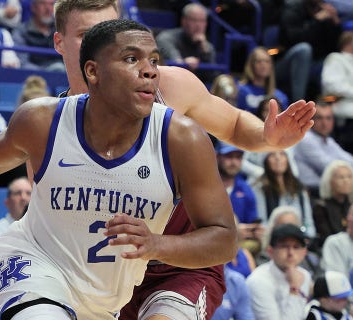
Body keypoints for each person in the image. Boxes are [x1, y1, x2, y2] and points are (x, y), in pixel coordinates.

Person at [0, 18, 237, 319]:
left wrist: (157, 244)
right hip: (34, 263)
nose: (149, 70)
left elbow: (224, 239)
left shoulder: (182, 139)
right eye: (131, 59)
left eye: (153, 60)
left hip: (108, 296)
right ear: (92, 72)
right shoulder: (43, 120)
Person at [51, 1, 315, 319]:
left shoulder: (169, 87)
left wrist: (268, 137)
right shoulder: (50, 125)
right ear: (59, 42)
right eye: (85, 35)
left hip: (178, 266)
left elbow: (231, 124)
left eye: (109, 32)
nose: (101, 45)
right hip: (102, 274)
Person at [293, 100, 353, 193]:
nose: (324, 123)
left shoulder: (328, 140)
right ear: (311, 120)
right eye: (320, 118)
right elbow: (331, 168)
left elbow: (349, 160)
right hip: (313, 192)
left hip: (332, 188)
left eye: (328, 118)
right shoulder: (306, 139)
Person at [246, 223, 312, 320]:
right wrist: (294, 289)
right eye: (284, 246)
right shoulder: (258, 280)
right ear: (270, 251)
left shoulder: (304, 275)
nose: (291, 253)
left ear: (304, 252)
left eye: (296, 247)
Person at [252, 150, 315, 238]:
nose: (278, 158)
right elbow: (262, 222)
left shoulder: (299, 187)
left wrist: (307, 237)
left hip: (299, 238)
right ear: (265, 160)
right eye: (272, 155)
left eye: (282, 154)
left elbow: (308, 222)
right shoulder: (259, 188)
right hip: (272, 240)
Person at [155, 3, 217, 83]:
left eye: (202, 21)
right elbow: (176, 63)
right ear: (184, 21)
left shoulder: (207, 46)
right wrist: (184, 63)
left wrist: (204, 50)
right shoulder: (166, 38)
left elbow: (213, 77)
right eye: (194, 20)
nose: (198, 25)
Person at [0, 176, 32, 261]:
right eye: (18, 193)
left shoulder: (39, 229)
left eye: (28, 193)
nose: (23, 198)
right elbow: (7, 260)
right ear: (7, 202)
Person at [312, 160, 353, 246]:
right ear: (329, 181)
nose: (346, 181)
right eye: (341, 177)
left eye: (349, 177)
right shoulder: (321, 208)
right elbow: (327, 238)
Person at [11, 0, 65, 71]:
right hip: (33, 78)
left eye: (51, 4)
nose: (48, 9)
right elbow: (22, 62)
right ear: (33, 7)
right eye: (43, 4)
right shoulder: (21, 32)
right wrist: (47, 72)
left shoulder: (62, 30)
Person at [236, 47, 289, 113]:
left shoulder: (280, 97)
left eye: (267, 61)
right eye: (259, 61)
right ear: (251, 65)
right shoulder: (240, 90)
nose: (263, 65)